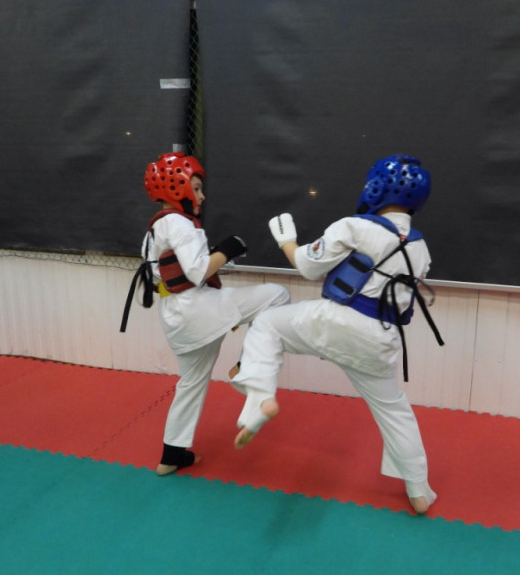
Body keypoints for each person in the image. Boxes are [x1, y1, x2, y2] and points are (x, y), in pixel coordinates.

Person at [229, 154, 442, 515]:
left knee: (267, 324)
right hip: (381, 339)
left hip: (336, 321)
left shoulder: (355, 227)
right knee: (395, 410)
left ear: (377, 187)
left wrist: (286, 240)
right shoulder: (421, 249)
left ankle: (261, 397)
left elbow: (308, 266)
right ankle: (419, 490)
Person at [122, 151, 289, 476]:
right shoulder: (180, 223)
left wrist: (215, 259)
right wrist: (228, 248)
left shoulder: (153, 230)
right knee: (277, 295)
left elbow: (168, 275)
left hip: (175, 318)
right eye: (196, 188)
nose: (202, 196)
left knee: (191, 382)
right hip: (197, 309)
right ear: (178, 188)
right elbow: (197, 271)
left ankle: (172, 455)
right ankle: (248, 368)